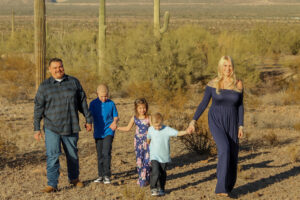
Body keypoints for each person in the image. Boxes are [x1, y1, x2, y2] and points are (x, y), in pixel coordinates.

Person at [187, 56, 244, 197]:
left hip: (232, 121)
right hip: (216, 120)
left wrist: (241, 125)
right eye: (225, 66)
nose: (228, 69)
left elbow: (241, 106)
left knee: (232, 154)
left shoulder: (238, 84)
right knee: (224, 148)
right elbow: (203, 103)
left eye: (230, 66)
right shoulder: (213, 84)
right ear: (220, 67)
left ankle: (228, 185)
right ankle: (221, 188)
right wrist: (193, 120)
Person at [34, 58, 93, 193]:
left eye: (60, 67)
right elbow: (38, 108)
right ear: (50, 69)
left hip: (71, 125)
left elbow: (82, 102)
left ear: (63, 67)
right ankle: (52, 184)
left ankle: (74, 179)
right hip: (51, 127)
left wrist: (88, 120)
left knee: (72, 154)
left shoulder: (74, 82)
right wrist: (36, 128)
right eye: (55, 67)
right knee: (53, 155)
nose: (58, 69)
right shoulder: (44, 86)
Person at [147, 112, 191, 196]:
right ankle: (153, 188)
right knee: (155, 172)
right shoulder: (150, 129)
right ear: (151, 123)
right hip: (154, 156)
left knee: (162, 173)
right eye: (155, 126)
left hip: (164, 156)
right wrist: (148, 143)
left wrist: (186, 131)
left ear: (162, 122)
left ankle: (162, 188)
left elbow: (177, 133)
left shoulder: (166, 129)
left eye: (159, 125)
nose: (157, 128)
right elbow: (148, 138)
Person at [117, 98, 151, 187]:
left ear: (146, 108)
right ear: (136, 108)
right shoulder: (134, 118)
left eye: (144, 108)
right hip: (138, 143)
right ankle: (142, 178)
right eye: (140, 108)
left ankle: (146, 178)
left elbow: (154, 128)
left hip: (148, 142)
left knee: (147, 161)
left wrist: (151, 133)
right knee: (139, 161)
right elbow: (128, 128)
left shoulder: (149, 118)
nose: (142, 110)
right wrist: (118, 128)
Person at [89, 84, 118, 184]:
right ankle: (100, 175)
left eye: (106, 96)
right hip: (98, 132)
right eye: (102, 96)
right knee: (100, 154)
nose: (104, 98)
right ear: (97, 94)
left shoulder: (111, 103)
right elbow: (90, 117)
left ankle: (107, 175)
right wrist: (88, 124)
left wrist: (114, 123)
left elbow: (115, 116)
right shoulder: (93, 104)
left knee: (106, 152)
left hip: (109, 131)